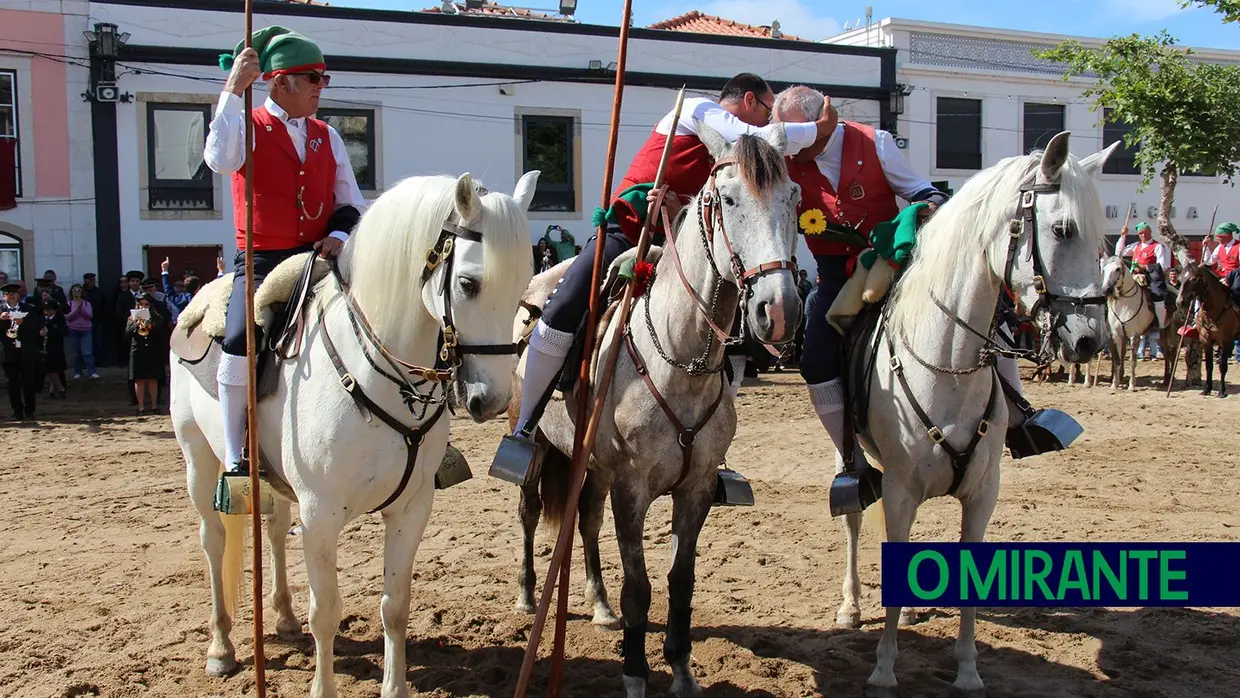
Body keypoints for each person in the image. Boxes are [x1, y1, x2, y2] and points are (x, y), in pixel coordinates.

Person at [498, 73, 840, 470]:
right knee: (563, 308)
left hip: (687, 253)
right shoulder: (697, 109)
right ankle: (525, 428)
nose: (766, 123)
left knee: (719, 333)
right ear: (748, 100)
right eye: (766, 112)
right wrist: (820, 127)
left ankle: (714, 456)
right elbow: (755, 135)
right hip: (627, 232)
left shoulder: (734, 163)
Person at [771, 85, 948, 514]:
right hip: (833, 275)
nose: (790, 146)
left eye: (797, 135)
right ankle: (850, 461)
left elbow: (925, 193)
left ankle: (1021, 415)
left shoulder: (877, 143)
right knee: (814, 361)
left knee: (978, 314)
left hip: (895, 265)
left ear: (821, 124)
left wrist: (925, 210)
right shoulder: (782, 164)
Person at [207, 25, 367, 474]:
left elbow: (351, 203)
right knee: (240, 341)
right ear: (281, 82)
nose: (322, 86)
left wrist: (338, 236)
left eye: (323, 77)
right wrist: (231, 89)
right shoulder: (243, 125)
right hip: (263, 259)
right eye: (314, 77)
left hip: (321, 256)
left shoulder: (327, 135)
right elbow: (218, 160)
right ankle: (235, 453)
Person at [1114, 221, 1171, 329]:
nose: (1143, 235)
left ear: (1150, 231)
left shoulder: (1158, 247)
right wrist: (1123, 236)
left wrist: (1143, 267)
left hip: (1151, 277)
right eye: (1140, 233)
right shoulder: (1136, 246)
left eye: (1145, 232)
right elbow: (1119, 252)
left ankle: (1160, 323)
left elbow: (1162, 266)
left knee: (1158, 295)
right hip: (1134, 277)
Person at [1, 282, 42, 420]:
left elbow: (36, 327)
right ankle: (17, 411)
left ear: (18, 295)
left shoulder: (29, 309)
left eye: (14, 293)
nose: (12, 296)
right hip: (9, 353)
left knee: (29, 383)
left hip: (26, 351)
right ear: (4, 296)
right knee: (12, 384)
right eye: (9, 294)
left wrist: (23, 323)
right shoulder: (1, 310)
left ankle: (29, 411)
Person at [126, 294, 165, 415]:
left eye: (146, 304)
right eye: (141, 304)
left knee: (153, 379)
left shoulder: (156, 317)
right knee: (139, 380)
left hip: (152, 351)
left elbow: (160, 333)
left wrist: (151, 325)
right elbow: (126, 334)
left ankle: (154, 406)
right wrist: (135, 325)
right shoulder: (131, 318)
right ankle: (141, 407)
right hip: (138, 350)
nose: (143, 307)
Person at [65, 283, 98, 379]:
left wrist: (81, 309)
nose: (77, 292)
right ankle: (77, 372)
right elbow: (68, 317)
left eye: (79, 290)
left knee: (87, 352)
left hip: (86, 330)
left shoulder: (87, 304)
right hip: (73, 330)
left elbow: (89, 316)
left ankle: (92, 372)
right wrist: (76, 311)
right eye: (74, 290)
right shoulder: (68, 304)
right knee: (76, 353)